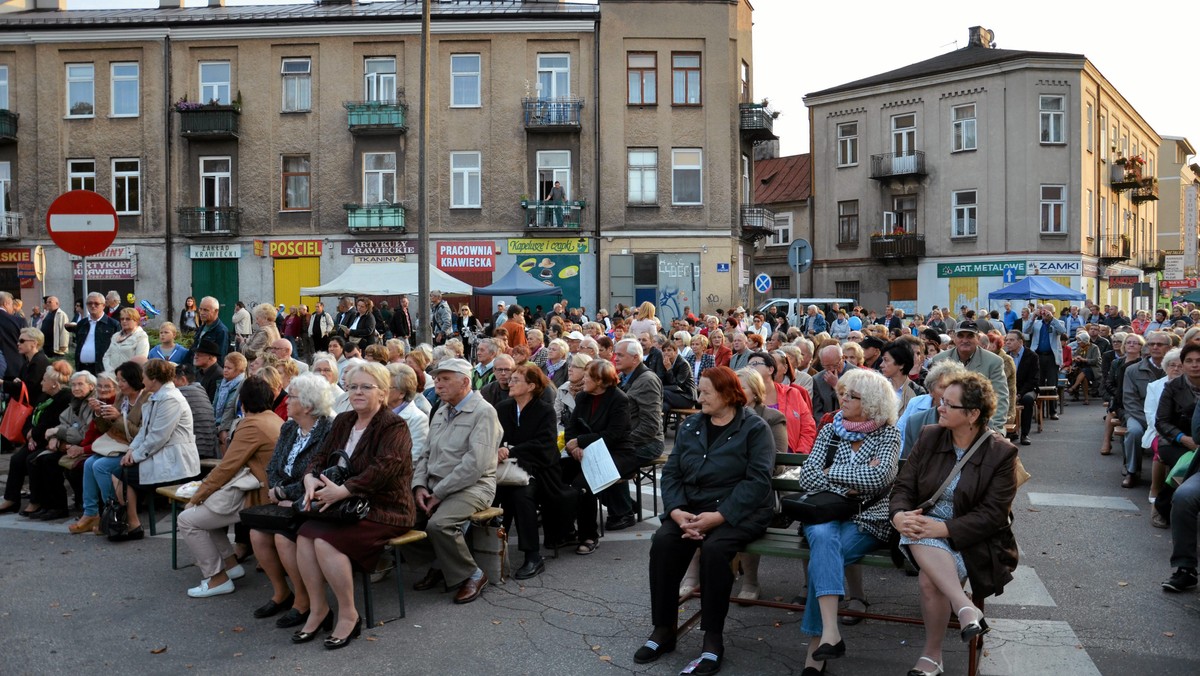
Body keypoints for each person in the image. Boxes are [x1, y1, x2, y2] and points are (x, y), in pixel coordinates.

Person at [633, 365, 774, 675]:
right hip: (692, 509)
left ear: (727, 395)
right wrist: (676, 511)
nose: (699, 398)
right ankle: (664, 628)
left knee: (714, 552)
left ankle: (712, 637)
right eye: (700, 391)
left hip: (739, 512)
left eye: (706, 392)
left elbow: (758, 481)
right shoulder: (692, 426)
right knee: (664, 542)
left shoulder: (754, 428)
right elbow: (672, 473)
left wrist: (720, 516)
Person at [889, 372, 1019, 676]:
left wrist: (945, 529)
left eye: (949, 404)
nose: (940, 408)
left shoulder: (1001, 452)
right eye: (941, 402)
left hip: (971, 537)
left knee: (927, 580)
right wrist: (898, 516)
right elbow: (903, 488)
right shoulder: (930, 435)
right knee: (919, 532)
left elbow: (993, 514)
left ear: (973, 414)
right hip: (920, 526)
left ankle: (933, 655)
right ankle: (964, 607)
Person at [292, 362, 414, 649]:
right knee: (304, 535)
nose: (357, 392)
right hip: (344, 506)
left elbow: (385, 468)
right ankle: (319, 609)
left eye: (366, 387)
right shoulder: (344, 421)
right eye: (353, 387)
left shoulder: (394, 425)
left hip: (385, 508)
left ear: (383, 393)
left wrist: (345, 490)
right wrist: (309, 477)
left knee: (323, 542)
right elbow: (321, 456)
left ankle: (349, 614)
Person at [795, 368, 900, 674]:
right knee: (825, 540)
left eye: (852, 396)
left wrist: (831, 474)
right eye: (842, 392)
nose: (843, 399)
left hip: (867, 518)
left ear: (872, 402)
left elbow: (880, 477)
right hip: (823, 513)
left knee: (822, 559)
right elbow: (807, 476)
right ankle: (828, 635)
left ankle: (818, 646)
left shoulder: (888, 433)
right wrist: (853, 479)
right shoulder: (830, 430)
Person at [177, 375, 281, 598]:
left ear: (241, 403)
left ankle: (217, 578)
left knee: (187, 519)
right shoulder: (272, 418)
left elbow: (227, 467)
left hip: (258, 495)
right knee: (205, 516)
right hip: (264, 489)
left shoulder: (251, 424)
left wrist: (197, 496)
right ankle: (230, 565)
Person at [409, 358, 501, 605]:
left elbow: (475, 465)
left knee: (439, 526)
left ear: (465, 381)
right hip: (435, 485)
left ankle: (472, 574)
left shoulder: (484, 412)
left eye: (446, 379)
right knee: (399, 518)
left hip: (474, 486)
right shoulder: (441, 410)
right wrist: (419, 486)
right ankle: (442, 561)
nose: (438, 384)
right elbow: (425, 454)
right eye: (437, 379)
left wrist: (438, 492)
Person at [248, 373, 333, 625]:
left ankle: (304, 600)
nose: (285, 399)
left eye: (291, 396)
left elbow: (320, 474)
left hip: (310, 501)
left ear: (307, 405)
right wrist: (275, 491)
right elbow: (273, 467)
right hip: (283, 499)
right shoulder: (288, 427)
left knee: (283, 538)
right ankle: (281, 592)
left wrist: (286, 494)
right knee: (257, 533)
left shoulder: (329, 430)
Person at [119, 360, 202, 540]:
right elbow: (144, 431)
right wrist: (131, 451)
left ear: (154, 379)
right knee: (119, 471)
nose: (142, 379)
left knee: (121, 474)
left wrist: (136, 457)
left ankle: (132, 525)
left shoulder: (170, 399)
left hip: (176, 461)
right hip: (163, 455)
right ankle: (131, 523)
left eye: (144, 376)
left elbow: (158, 436)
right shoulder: (157, 396)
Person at [494, 364, 562, 579]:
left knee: (521, 495)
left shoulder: (544, 410)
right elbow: (494, 438)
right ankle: (487, 549)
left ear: (531, 386)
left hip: (539, 470)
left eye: (516, 380)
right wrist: (499, 449)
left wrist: (512, 449)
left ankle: (532, 556)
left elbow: (545, 444)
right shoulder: (503, 408)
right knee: (488, 493)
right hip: (505, 469)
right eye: (510, 379)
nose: (509, 382)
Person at [727, 367, 788, 601]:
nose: (735, 392)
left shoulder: (771, 418)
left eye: (741, 387)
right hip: (726, 488)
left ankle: (750, 580)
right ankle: (695, 574)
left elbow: (777, 465)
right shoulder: (725, 416)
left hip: (760, 491)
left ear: (755, 392)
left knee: (743, 510)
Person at [563, 359, 635, 554]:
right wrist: (574, 446)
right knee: (554, 471)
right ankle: (563, 529)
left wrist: (581, 441)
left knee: (583, 485)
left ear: (600, 381)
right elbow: (571, 429)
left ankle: (589, 535)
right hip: (585, 451)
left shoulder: (619, 399)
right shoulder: (583, 397)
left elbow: (614, 434)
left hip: (616, 453)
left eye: (587, 376)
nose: (583, 379)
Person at [608, 338, 664, 530]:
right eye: (615, 354)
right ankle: (625, 505)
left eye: (620, 355)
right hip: (629, 439)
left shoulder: (647, 380)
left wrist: (621, 442)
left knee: (609, 463)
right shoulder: (626, 377)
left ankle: (624, 512)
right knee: (592, 460)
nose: (615, 358)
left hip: (648, 443)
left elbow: (651, 426)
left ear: (635, 358)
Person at [5, 361, 73, 519]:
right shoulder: (44, 396)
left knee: (33, 460)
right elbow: (31, 417)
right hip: (36, 438)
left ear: (55, 384)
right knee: (16, 460)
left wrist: (33, 435)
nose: (41, 383)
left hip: (48, 440)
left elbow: (52, 422)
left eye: (44, 380)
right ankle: (11, 499)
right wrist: (29, 432)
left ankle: (39, 502)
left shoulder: (64, 398)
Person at [930, 320, 1009, 432]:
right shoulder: (939, 360)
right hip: (948, 424)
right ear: (954, 338)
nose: (965, 340)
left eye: (970, 336)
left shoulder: (994, 362)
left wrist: (994, 429)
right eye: (961, 336)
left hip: (982, 424)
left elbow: (1000, 397)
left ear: (978, 338)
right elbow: (934, 396)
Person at [1124, 332, 1169, 488]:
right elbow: (1130, 400)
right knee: (1134, 432)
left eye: (1159, 344)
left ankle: (1171, 475)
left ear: (1169, 348)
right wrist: (1149, 422)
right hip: (1139, 415)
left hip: (1167, 417)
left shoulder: (1174, 369)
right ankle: (1132, 471)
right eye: (1151, 344)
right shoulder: (1133, 370)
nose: (1155, 347)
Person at [1024, 304, 1066, 421]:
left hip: (1051, 357)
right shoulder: (1037, 323)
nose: (1044, 314)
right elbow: (1026, 331)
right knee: (1038, 383)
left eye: (1047, 312)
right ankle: (1039, 410)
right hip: (1037, 356)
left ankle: (1053, 411)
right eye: (1043, 311)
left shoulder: (1058, 323)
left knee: (1052, 383)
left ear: (1052, 312)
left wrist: (1051, 319)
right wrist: (1033, 317)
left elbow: (1062, 331)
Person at [385, 363, 430, 463]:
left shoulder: (417, 419)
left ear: (402, 393)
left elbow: (414, 458)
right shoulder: (376, 412)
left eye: (386, 387)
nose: (381, 390)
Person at [73, 292, 119, 376]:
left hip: (102, 369)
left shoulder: (113, 325)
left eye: (96, 303)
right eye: (89, 303)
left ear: (104, 306)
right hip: (82, 369)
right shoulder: (81, 324)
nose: (93, 306)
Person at [1005, 331, 1039, 446]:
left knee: (1027, 399)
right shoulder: (1005, 356)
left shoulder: (1032, 356)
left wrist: (1019, 394)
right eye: (1007, 340)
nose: (1008, 342)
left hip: (1027, 389)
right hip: (1010, 389)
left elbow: (1033, 380)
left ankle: (1025, 434)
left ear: (1020, 342)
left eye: (1011, 340)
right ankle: (1009, 431)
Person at [214, 352, 247, 454]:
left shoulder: (242, 386)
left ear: (238, 370)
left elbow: (232, 409)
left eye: (229, 368)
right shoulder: (221, 384)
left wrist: (223, 428)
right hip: (216, 424)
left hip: (229, 427)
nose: (225, 370)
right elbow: (214, 405)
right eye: (224, 367)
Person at [660, 340, 697, 413]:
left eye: (669, 350)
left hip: (687, 397)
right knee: (664, 406)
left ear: (676, 351)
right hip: (673, 395)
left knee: (662, 392)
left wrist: (669, 369)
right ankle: (661, 424)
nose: (666, 352)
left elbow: (677, 385)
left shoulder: (683, 364)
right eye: (664, 351)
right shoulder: (665, 362)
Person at [192, 296, 230, 363]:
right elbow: (193, 350)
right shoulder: (201, 328)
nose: (201, 313)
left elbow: (220, 358)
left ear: (216, 311)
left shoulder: (221, 331)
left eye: (206, 310)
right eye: (200, 309)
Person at [1066, 331, 1100, 402]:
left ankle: (1073, 387)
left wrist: (1084, 360)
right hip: (1082, 369)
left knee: (1084, 372)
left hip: (1093, 369)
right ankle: (1086, 399)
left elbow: (1096, 360)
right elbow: (1074, 356)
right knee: (1083, 376)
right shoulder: (1080, 348)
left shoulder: (1094, 347)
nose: (1078, 342)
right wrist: (1075, 359)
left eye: (1079, 341)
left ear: (1085, 341)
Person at [39, 295, 71, 359]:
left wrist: (63, 345)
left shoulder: (61, 314)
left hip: (56, 347)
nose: (47, 304)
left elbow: (64, 330)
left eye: (50, 302)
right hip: (45, 346)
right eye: (47, 302)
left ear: (57, 303)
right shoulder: (46, 314)